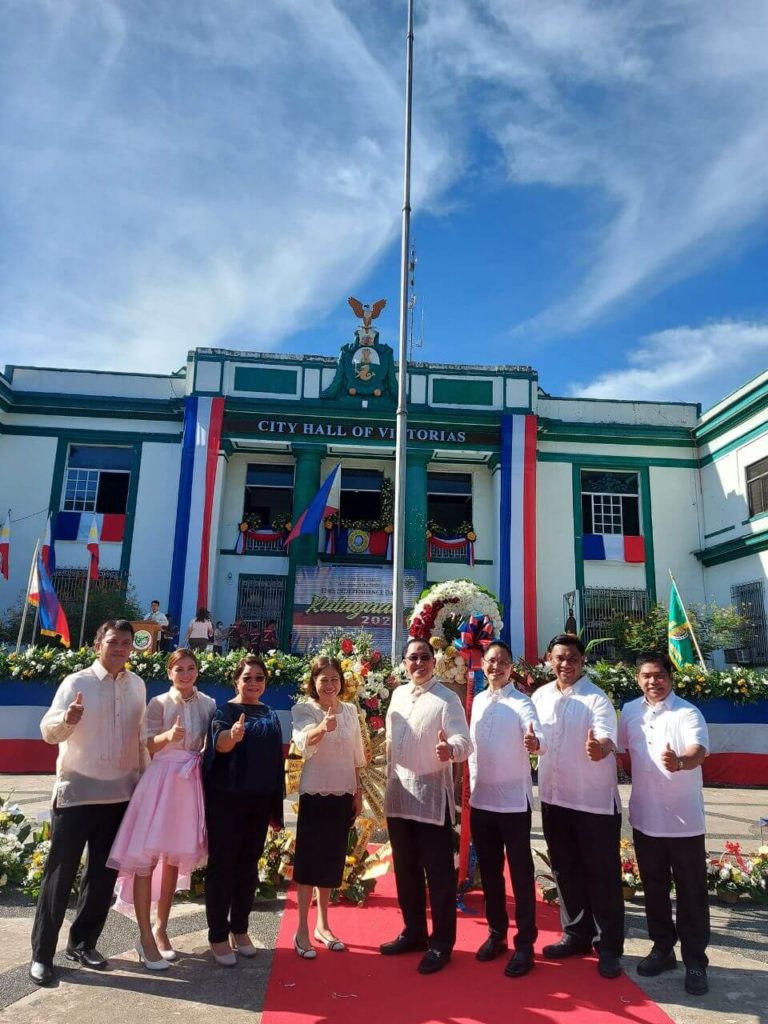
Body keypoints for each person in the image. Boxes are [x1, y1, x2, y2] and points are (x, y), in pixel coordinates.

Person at [29, 620, 147, 987]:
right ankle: (41, 955)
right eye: (113, 641)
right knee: (58, 876)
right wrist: (67, 719)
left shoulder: (137, 685)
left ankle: (82, 943)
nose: (120, 648)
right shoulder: (76, 682)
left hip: (120, 794)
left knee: (102, 875)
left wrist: (143, 784)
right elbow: (48, 731)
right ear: (98, 644)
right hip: (77, 793)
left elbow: (140, 740)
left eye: (127, 643)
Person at [107, 649, 216, 970]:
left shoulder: (209, 704)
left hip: (190, 783)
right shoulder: (159, 703)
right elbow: (148, 744)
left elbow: (211, 743)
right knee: (147, 858)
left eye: (191, 668)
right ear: (170, 673)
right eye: (179, 669)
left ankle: (161, 928)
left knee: (173, 859)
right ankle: (144, 936)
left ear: (197, 671)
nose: (185, 674)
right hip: (162, 782)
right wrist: (168, 736)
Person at [532, 633, 624, 979]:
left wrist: (600, 748)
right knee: (565, 869)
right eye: (559, 658)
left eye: (572, 658)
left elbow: (605, 736)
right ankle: (576, 934)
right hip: (555, 798)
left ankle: (610, 946)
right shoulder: (540, 696)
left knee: (602, 874)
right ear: (549, 659)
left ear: (582, 661)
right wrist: (531, 742)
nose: (565, 664)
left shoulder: (596, 699)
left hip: (592, 803)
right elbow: (535, 737)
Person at [618, 652, 710, 996]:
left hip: (684, 821)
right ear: (638, 679)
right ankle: (663, 949)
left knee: (692, 893)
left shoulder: (687, 712)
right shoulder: (629, 711)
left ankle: (696, 960)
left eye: (659, 675)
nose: (652, 682)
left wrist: (681, 762)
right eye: (646, 676)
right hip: (645, 818)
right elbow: (620, 749)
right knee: (654, 889)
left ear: (670, 677)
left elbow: (699, 750)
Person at [380, 637, 472, 975]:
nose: (418, 663)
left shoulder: (447, 699)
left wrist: (452, 750)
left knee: (439, 876)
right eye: (412, 658)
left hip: (433, 797)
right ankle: (414, 932)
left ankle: (442, 943)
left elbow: (464, 740)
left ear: (434, 661)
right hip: (399, 794)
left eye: (424, 657)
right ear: (404, 662)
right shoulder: (398, 695)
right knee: (406, 872)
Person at [469, 640, 545, 978]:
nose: (495, 667)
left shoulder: (522, 703)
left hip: (513, 803)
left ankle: (525, 944)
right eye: (490, 661)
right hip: (481, 799)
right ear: (482, 665)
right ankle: (496, 933)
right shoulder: (479, 701)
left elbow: (537, 734)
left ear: (511, 667)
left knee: (521, 875)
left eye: (502, 662)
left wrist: (535, 743)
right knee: (490, 873)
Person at [203, 655, 284, 966]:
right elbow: (218, 744)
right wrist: (232, 738)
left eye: (259, 678)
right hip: (227, 801)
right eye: (247, 678)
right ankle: (218, 934)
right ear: (236, 681)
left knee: (248, 867)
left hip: (259, 802)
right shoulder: (225, 711)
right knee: (222, 867)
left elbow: (275, 763)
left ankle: (240, 928)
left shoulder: (271, 714)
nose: (253, 683)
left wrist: (275, 806)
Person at [291, 656, 365, 958]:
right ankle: (301, 931)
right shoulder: (304, 709)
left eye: (335, 679)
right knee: (309, 863)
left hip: (343, 793)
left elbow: (357, 755)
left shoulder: (349, 711)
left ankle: (324, 925)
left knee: (332, 862)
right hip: (314, 794)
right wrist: (321, 727)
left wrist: (357, 791)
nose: (330, 685)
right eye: (324, 679)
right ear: (314, 682)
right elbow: (302, 743)